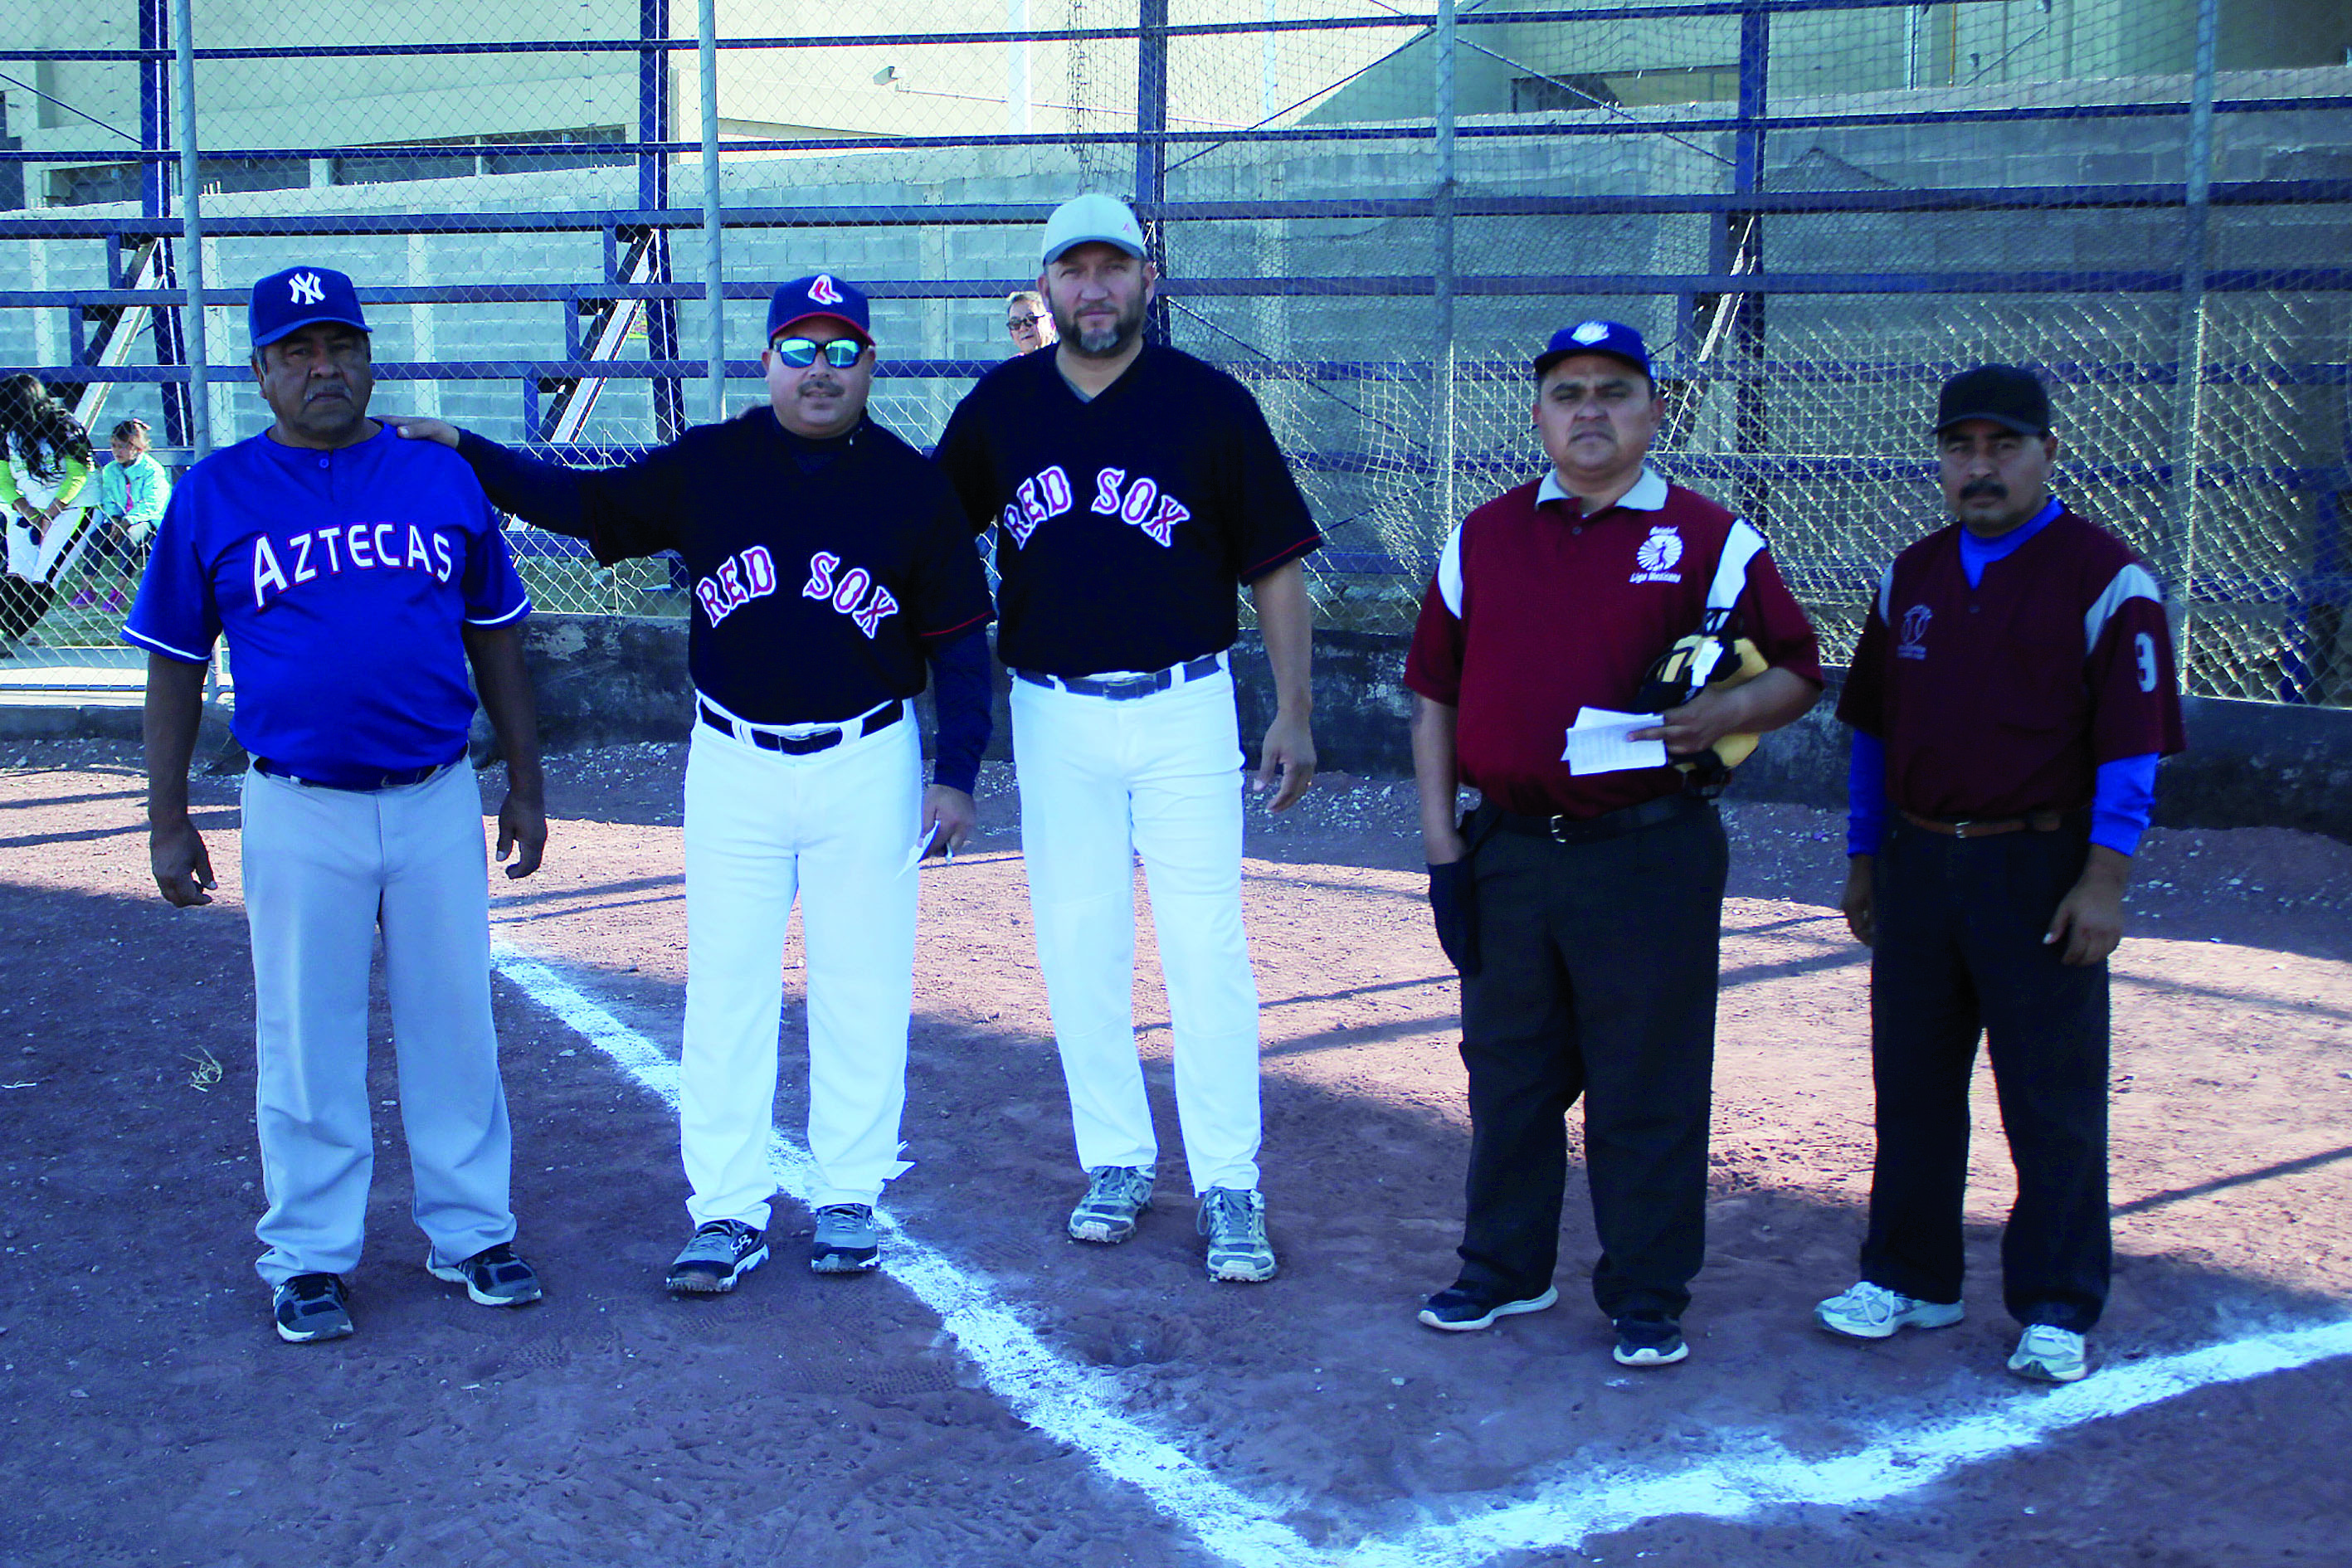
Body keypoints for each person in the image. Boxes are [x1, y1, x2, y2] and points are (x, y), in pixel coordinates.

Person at [396, 274, 994, 1293]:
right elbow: (584, 503)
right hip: (732, 761)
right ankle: (726, 1211)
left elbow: (960, 645)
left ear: (870, 366)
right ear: (766, 362)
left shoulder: (912, 487)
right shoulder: (713, 463)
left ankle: (850, 1196)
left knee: (862, 986)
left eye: (841, 350)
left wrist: (958, 775)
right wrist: (470, 452)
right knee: (724, 990)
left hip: (868, 758)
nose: (820, 370)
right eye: (799, 350)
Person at [127, 265, 549, 1344]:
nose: (325, 368)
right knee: (306, 1039)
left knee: (454, 1020)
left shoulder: (436, 480)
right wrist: (165, 815)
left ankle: (472, 1232)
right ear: (261, 371)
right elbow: (174, 665)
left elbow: (496, 635)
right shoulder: (214, 492)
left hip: (434, 792)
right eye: (298, 352)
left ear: (368, 356)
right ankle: (310, 1255)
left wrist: (527, 781)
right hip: (296, 803)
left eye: (341, 346)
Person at [1404, 320, 1823, 1366]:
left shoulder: (1713, 536)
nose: (1591, 409)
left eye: (1615, 390)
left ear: (1655, 409)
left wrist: (1723, 712)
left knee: (1648, 1079)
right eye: (1568, 391)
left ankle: (1646, 1292)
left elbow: (1798, 672)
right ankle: (1505, 1269)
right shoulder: (1483, 537)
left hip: (1648, 853)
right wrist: (1443, 856)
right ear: (1538, 412)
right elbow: (1432, 702)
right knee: (1507, 1075)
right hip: (1508, 850)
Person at [932, 194, 1321, 1283]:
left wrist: (1290, 706)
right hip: (1050, 709)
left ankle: (1228, 1181)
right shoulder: (1000, 406)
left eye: (1113, 268)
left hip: (1185, 702)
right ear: (1044, 288)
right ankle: (1114, 1157)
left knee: (1206, 951)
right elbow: (923, 534)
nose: (1093, 289)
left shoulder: (1207, 403)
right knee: (1078, 943)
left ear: (1149, 280)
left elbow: (1275, 563)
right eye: (1072, 271)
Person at [1815, 364, 2184, 1385]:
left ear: (2047, 453)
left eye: (2003, 447)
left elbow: (2132, 749)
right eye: (1960, 449)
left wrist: (2104, 880)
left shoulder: (2106, 578)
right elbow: (1873, 736)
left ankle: (2057, 1303)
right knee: (1915, 1084)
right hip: (1921, 858)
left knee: (2050, 1095)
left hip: (2038, 861)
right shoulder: (1914, 575)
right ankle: (1911, 1277)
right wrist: (1864, 858)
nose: (1980, 468)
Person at [0, 373, 98, 653]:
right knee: (17, 573)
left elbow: (78, 474)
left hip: (73, 507)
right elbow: (2, 477)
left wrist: (50, 514)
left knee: (44, 575)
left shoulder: (64, 426)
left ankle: (12, 633)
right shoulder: (7, 431)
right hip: (28, 507)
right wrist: (26, 509)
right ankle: (7, 629)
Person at [73, 417, 173, 613]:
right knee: (95, 538)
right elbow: (109, 499)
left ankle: (118, 590)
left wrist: (127, 522)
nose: (117, 452)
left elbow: (152, 504)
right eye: (113, 446)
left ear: (137, 448)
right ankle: (86, 588)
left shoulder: (152, 470)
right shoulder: (111, 470)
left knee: (130, 537)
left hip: (147, 521)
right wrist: (115, 520)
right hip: (119, 520)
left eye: (122, 447)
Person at [1005, 290, 1057, 355]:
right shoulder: (1013, 364)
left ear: (1051, 324)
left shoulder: (1069, 361)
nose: (1023, 328)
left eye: (1030, 319)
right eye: (1015, 323)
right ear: (1011, 334)